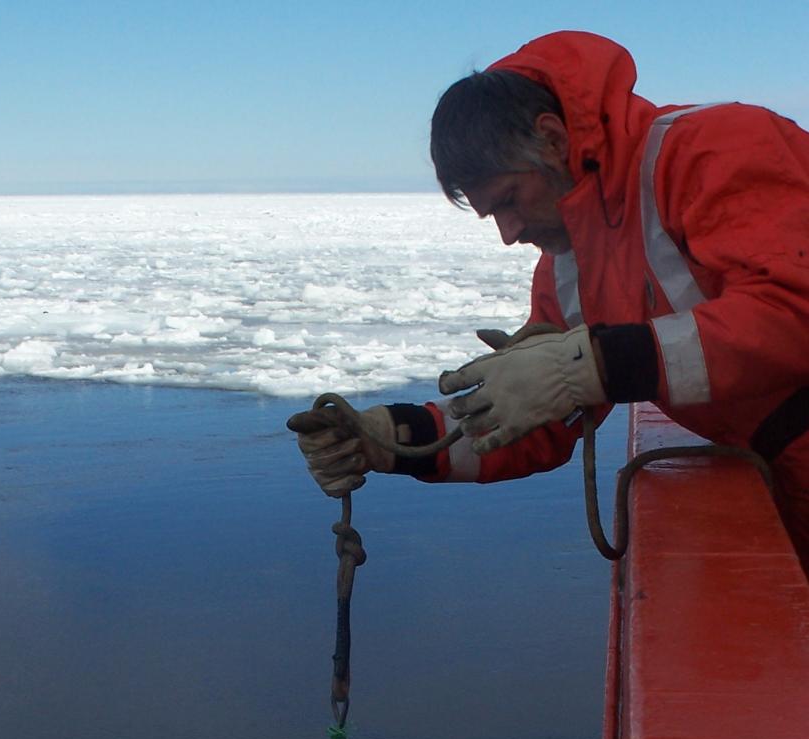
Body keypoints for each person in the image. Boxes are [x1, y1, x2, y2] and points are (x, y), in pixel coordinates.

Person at [287, 30, 809, 573]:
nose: (509, 234)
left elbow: (796, 310)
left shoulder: (716, 150)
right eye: (493, 215)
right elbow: (533, 417)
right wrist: (392, 438)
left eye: (510, 201)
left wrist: (599, 364)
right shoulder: (569, 267)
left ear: (553, 138)